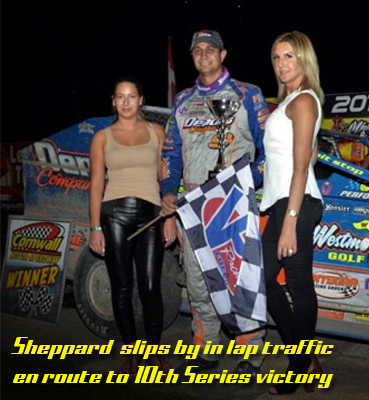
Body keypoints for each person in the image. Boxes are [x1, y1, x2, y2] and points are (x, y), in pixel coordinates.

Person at [158, 29, 268, 375]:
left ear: (223, 55)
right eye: (197, 51)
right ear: (192, 57)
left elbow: (270, 151)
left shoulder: (248, 94)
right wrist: (168, 191)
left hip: (234, 204)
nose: (204, 55)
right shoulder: (183, 101)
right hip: (193, 206)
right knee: (198, 280)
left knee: (238, 276)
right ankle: (206, 345)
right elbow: (170, 153)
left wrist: (248, 181)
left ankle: (250, 348)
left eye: (211, 49)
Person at [88, 76, 176, 374]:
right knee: (122, 287)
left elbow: (167, 179)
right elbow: (96, 185)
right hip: (113, 216)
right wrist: (94, 228)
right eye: (120, 96)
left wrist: (169, 219)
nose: (126, 102)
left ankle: (153, 353)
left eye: (131, 96)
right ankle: (132, 353)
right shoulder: (102, 137)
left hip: (151, 215)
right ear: (113, 102)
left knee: (150, 286)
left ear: (141, 100)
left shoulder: (156, 132)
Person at [260, 30, 325, 395]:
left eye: (288, 56)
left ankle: (298, 368)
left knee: (298, 286)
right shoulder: (293, 101)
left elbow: (301, 167)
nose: (281, 64)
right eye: (276, 57)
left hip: (294, 206)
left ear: (304, 59)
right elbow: (310, 156)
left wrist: (290, 221)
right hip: (284, 202)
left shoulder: (303, 101)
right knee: (265, 280)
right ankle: (303, 357)